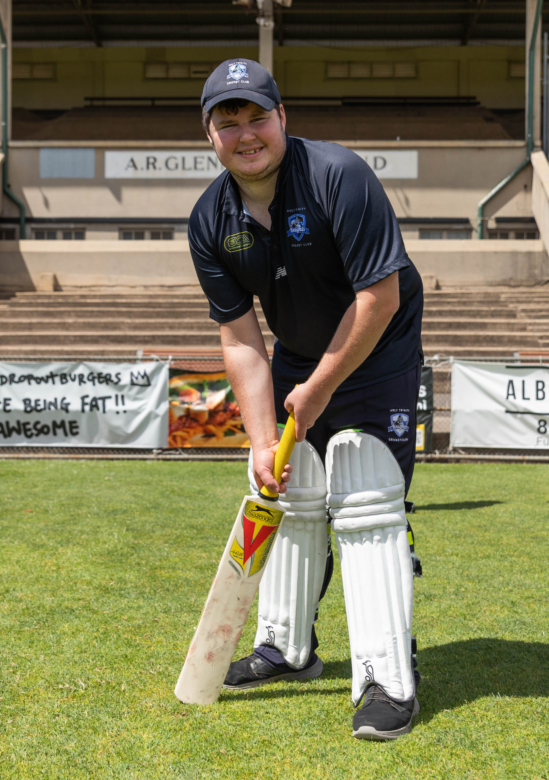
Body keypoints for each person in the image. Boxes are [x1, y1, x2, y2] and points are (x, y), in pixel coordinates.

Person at [188, 58, 425, 741]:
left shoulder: (337, 175)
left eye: (257, 116)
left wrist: (319, 390)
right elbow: (239, 338)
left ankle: (388, 679)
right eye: (227, 122)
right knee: (290, 488)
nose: (245, 133)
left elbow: (379, 296)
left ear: (282, 118)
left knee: (365, 482)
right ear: (209, 135)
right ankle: (286, 648)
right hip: (297, 347)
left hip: (377, 347)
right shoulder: (211, 219)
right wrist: (263, 439)